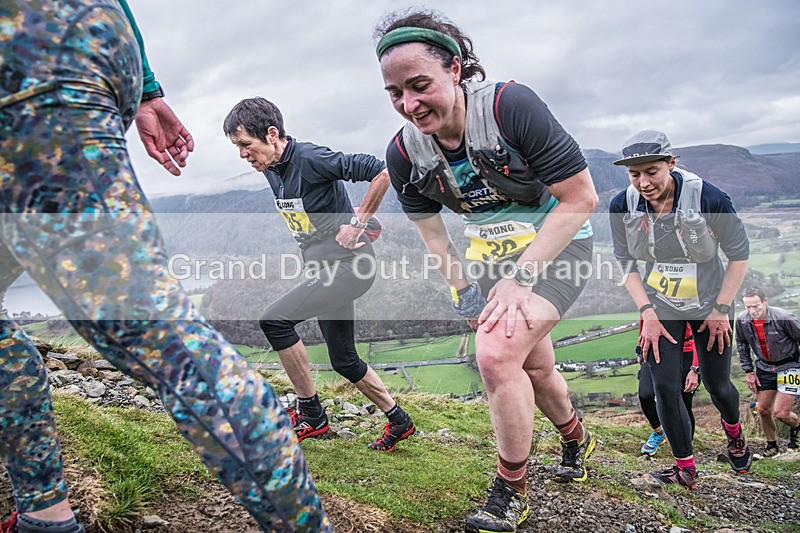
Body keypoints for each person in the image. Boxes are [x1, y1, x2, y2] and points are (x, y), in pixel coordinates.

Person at [0, 2, 328, 532]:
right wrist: (146, 87)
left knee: (166, 345)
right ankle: (43, 515)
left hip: (25, 52)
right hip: (81, 41)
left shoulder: (309, 158)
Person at [374, 10, 599, 533]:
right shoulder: (405, 153)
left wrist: (518, 279)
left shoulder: (509, 106)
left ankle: (511, 488)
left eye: (420, 85)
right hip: (489, 265)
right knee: (534, 369)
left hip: (556, 249)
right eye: (394, 93)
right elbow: (433, 233)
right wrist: (464, 294)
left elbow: (580, 198)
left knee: (496, 357)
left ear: (455, 69)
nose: (409, 105)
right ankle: (576, 439)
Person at [223, 97, 415, 452]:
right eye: (237, 148)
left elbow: (382, 170)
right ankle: (399, 420)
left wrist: (357, 224)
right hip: (327, 267)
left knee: (275, 321)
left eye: (245, 145)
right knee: (343, 358)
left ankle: (310, 413)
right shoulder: (272, 170)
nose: (242, 155)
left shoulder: (310, 158)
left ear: (271, 134)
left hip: (351, 267)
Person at [609, 130, 752, 490]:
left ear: (671, 164)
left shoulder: (709, 197)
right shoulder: (621, 205)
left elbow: (739, 255)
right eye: (634, 174)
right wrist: (648, 312)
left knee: (717, 385)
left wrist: (721, 308)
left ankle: (735, 437)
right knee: (665, 388)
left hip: (711, 303)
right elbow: (625, 263)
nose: (643, 182)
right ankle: (685, 468)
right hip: (661, 305)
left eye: (651, 171)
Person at [736, 285, 800, 456]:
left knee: (781, 413)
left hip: (789, 366)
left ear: (765, 302)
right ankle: (772, 447)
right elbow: (742, 345)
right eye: (748, 306)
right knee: (763, 410)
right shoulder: (742, 320)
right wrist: (748, 371)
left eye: (756, 306)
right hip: (764, 366)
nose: (752, 310)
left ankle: (797, 428)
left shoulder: (783, 317)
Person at [638, 324, 700, 456]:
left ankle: (685, 451)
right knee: (645, 394)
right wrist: (641, 347)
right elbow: (645, 319)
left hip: (687, 352)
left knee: (683, 404)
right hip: (656, 347)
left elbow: (699, 332)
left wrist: (695, 368)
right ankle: (659, 433)